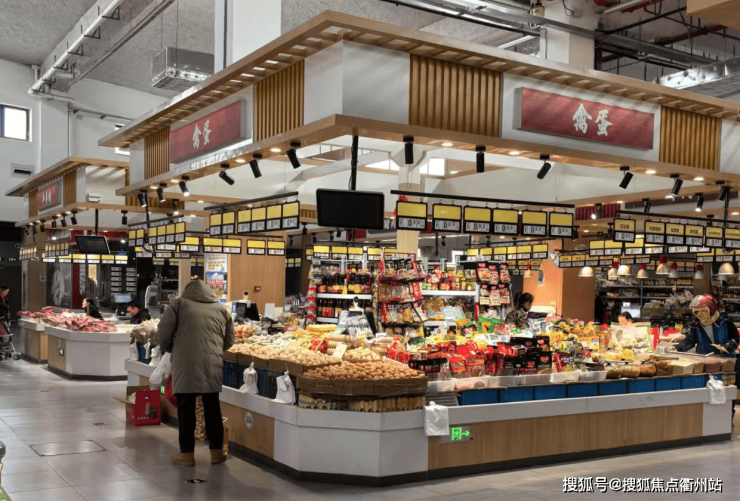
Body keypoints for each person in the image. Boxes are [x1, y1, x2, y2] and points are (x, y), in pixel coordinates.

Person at [156, 279, 235, 467]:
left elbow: (164, 332)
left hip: (185, 363)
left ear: (187, 291)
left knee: (186, 409)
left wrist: (169, 348)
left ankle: (186, 455)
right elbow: (230, 340)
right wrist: (214, 350)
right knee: (212, 408)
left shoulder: (179, 305)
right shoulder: (221, 309)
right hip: (212, 363)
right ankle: (217, 452)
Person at [673, 295, 739, 355]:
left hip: (725, 360)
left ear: (711, 310)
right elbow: (689, 341)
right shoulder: (695, 325)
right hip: (704, 359)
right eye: (697, 312)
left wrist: (728, 345)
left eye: (703, 311)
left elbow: (736, 339)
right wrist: (677, 348)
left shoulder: (725, 322)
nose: (700, 314)